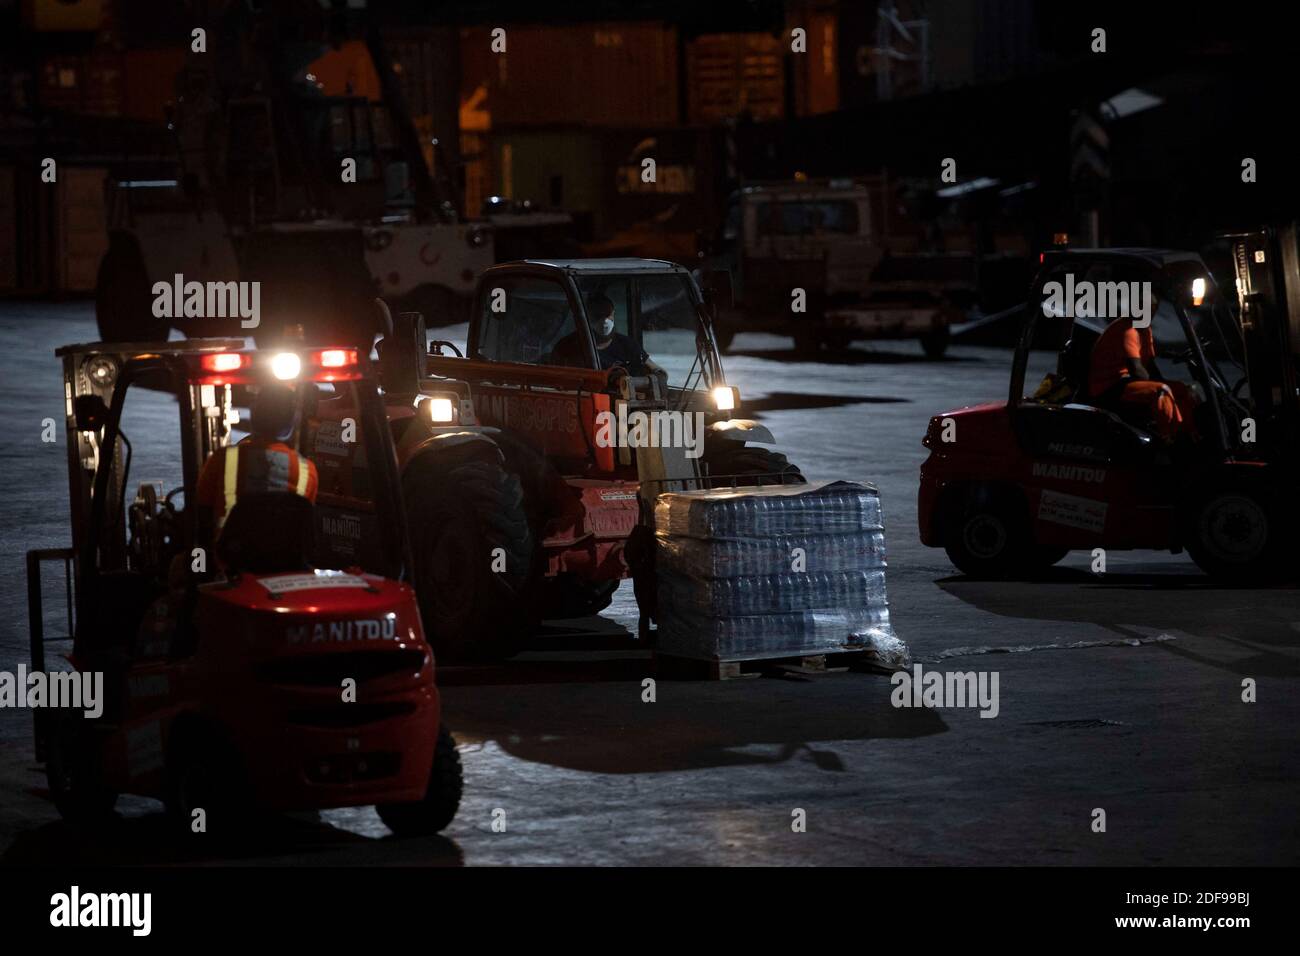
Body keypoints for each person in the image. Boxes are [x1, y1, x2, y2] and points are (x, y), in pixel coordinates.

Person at [195, 383, 319, 544]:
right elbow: (306, 526)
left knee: (180, 563)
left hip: (230, 562)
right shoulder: (307, 471)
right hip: (285, 565)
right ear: (290, 420)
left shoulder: (222, 459)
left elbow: (201, 517)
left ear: (255, 414)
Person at [1087, 304, 1199, 443]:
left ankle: (1192, 435)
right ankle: (1171, 439)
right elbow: (1137, 370)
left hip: (1127, 382)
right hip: (1111, 387)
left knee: (1182, 389)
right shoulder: (1128, 330)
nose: (1148, 313)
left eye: (1152, 310)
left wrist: (1166, 383)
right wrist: (1161, 384)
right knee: (1161, 391)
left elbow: (1150, 365)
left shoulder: (1145, 330)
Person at [551, 294, 654, 373]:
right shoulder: (567, 347)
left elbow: (654, 369)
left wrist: (658, 375)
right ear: (586, 317)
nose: (604, 321)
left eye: (608, 315)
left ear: (613, 314)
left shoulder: (627, 345)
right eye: (598, 316)